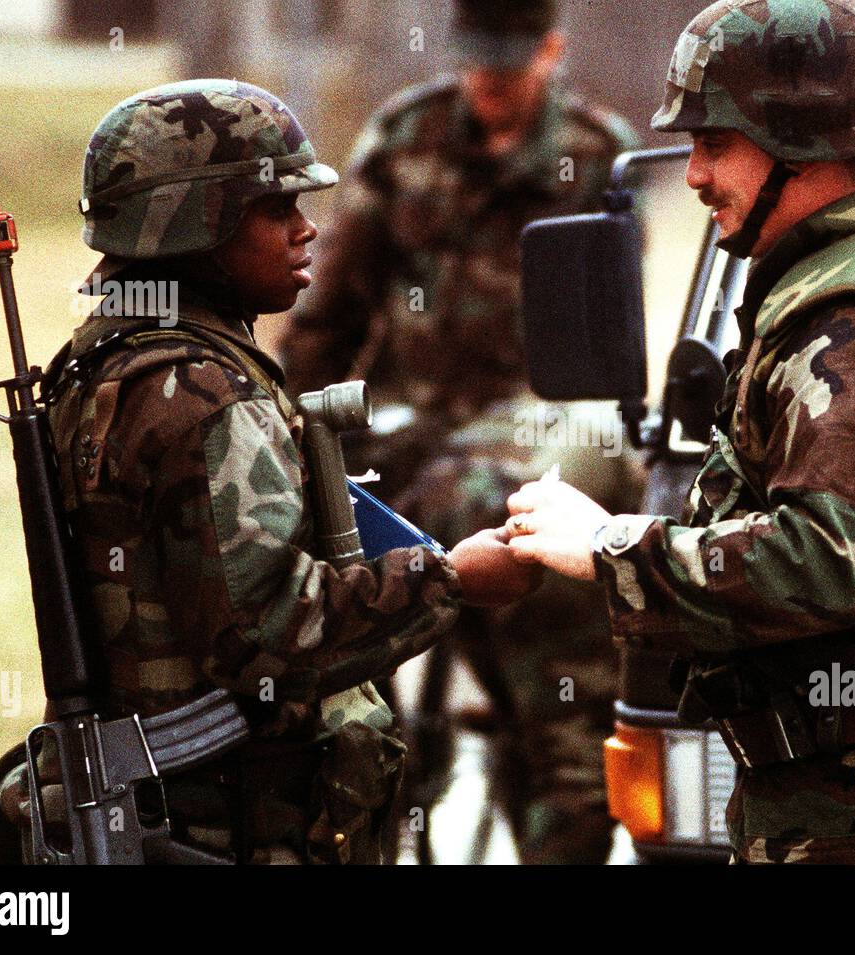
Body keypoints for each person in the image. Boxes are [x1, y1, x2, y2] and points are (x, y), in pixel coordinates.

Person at [503, 0, 855, 864]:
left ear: (799, 143)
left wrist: (611, 545)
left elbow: (824, 564)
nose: (693, 175)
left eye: (714, 144)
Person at [0, 78, 540, 866]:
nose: (307, 231)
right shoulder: (202, 394)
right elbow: (269, 636)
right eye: (277, 210)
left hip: (181, 811)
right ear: (196, 225)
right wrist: (451, 578)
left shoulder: (101, 362)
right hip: (224, 829)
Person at [275, 0, 641, 863]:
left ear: (549, 51)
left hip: (537, 419)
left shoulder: (593, 152)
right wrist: (293, 434)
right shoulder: (406, 140)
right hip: (408, 422)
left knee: (556, 699)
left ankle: (556, 793)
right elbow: (330, 311)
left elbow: (609, 334)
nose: (488, 84)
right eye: (475, 62)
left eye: (509, 64)